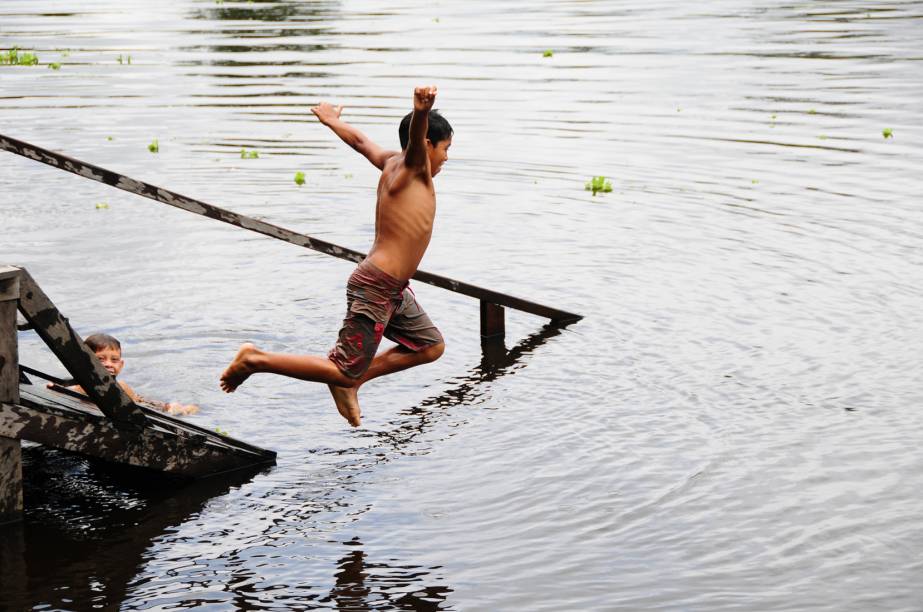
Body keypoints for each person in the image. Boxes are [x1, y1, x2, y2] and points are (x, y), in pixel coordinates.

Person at [220, 85, 451, 428]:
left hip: (392, 287)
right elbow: (417, 139)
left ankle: (352, 381)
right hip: (377, 285)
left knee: (429, 346)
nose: (447, 158)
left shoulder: (391, 161)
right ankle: (255, 359)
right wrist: (420, 111)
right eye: (445, 149)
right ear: (427, 145)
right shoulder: (414, 168)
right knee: (341, 369)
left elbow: (360, 142)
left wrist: (331, 120)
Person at [68, 333, 199, 416]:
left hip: (143, 404)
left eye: (114, 360)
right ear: (84, 362)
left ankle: (185, 408)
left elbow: (140, 406)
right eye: (100, 359)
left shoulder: (121, 387)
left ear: (121, 365)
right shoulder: (78, 388)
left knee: (177, 409)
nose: (108, 364)